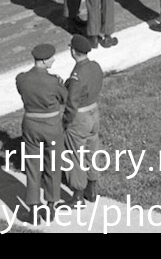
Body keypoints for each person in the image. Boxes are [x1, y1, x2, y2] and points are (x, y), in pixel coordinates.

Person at [15, 43, 67, 214]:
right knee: (53, 164)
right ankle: (52, 203)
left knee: (32, 166)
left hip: (30, 125)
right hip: (51, 126)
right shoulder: (53, 82)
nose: (53, 59)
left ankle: (33, 207)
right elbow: (64, 98)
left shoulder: (22, 79)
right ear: (44, 61)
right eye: (51, 58)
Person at [62, 33, 104, 204]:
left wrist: (65, 122)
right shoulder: (95, 66)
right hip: (94, 111)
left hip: (80, 117)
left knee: (75, 154)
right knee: (92, 150)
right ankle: (91, 188)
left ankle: (78, 193)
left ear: (73, 51)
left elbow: (72, 103)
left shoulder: (77, 75)